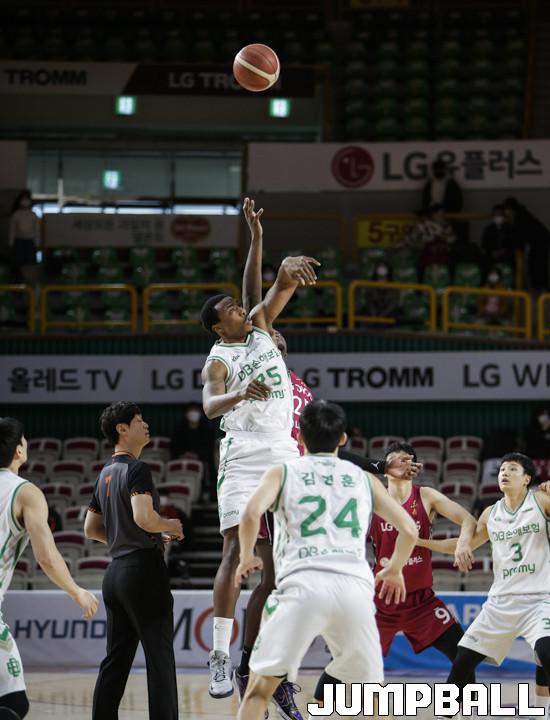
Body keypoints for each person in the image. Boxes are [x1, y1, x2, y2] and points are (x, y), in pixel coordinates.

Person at [234, 400, 419, 720]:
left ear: (299, 437)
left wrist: (246, 555)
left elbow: (250, 514)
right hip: (353, 591)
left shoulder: (282, 472)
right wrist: (394, 568)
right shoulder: (365, 480)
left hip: (300, 586)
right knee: (373, 698)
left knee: (259, 692)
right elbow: (409, 529)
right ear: (343, 438)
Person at [200, 239, 319, 705]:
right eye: (232, 309)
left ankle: (263, 659)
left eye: (241, 305)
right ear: (219, 326)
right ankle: (219, 654)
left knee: (283, 565)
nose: (241, 309)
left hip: (284, 452)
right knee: (233, 552)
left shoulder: (263, 328)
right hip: (244, 452)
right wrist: (239, 393)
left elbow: (271, 287)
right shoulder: (218, 359)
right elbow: (210, 405)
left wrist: (261, 241)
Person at [310, 441, 476, 709]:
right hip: (381, 600)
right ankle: (316, 710)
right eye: (396, 459)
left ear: (415, 467)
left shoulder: (426, 496)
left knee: (463, 654)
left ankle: (456, 711)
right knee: (346, 661)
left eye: (408, 459)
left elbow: (468, 519)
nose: (402, 463)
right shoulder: (371, 500)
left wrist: (464, 542)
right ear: (386, 467)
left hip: (422, 601)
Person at [419, 453, 550, 716]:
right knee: (463, 659)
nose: (505, 473)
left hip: (540, 599)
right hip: (501, 603)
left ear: (527, 479)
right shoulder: (491, 513)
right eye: (502, 469)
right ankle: (445, 713)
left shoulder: (540, 500)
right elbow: (462, 545)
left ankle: (541, 711)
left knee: (546, 653)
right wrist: (419, 542)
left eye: (512, 469)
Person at [84, 401, 184, 720]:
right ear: (122, 429)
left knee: (115, 660)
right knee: (159, 658)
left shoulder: (104, 474)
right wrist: (169, 526)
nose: (146, 425)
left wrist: (128, 536)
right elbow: (144, 517)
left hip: (115, 574)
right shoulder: (136, 469)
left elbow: (91, 529)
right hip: (142, 571)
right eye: (139, 421)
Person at [0, 417, 98, 720]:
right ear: (19, 451)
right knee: (14, 703)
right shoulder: (25, 492)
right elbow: (45, 557)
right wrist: (76, 591)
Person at [170, 402, 217, 498]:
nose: (193, 413)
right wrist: (184, 454)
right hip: (182, 459)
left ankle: (204, 494)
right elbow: (174, 446)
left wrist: (197, 455)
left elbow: (209, 448)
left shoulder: (207, 430)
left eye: (195, 410)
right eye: (190, 410)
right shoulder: (180, 429)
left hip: (202, 460)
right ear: (186, 414)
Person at [503, 197, 550, 292]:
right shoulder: (521, 214)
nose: (506, 212)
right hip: (539, 242)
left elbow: (520, 235)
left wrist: (518, 249)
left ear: (511, 209)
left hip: (540, 243)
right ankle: (540, 288)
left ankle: (541, 288)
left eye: (507, 209)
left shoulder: (520, 217)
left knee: (537, 266)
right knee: (536, 265)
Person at [9, 190, 40, 286]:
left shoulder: (33, 215)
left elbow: (37, 230)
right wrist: (11, 242)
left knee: (30, 264)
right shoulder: (16, 214)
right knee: (18, 264)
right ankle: (18, 285)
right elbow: (12, 230)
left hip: (30, 242)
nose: (25, 201)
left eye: (27, 199)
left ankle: (31, 285)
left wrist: (37, 243)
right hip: (19, 242)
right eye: (23, 199)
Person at [481, 204, 515, 274]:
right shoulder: (488, 229)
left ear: (504, 216)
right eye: (495, 215)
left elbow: (513, 244)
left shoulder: (509, 229)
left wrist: (504, 251)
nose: (498, 217)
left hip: (506, 257)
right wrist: (492, 252)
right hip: (491, 258)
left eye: (500, 214)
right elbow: (484, 245)